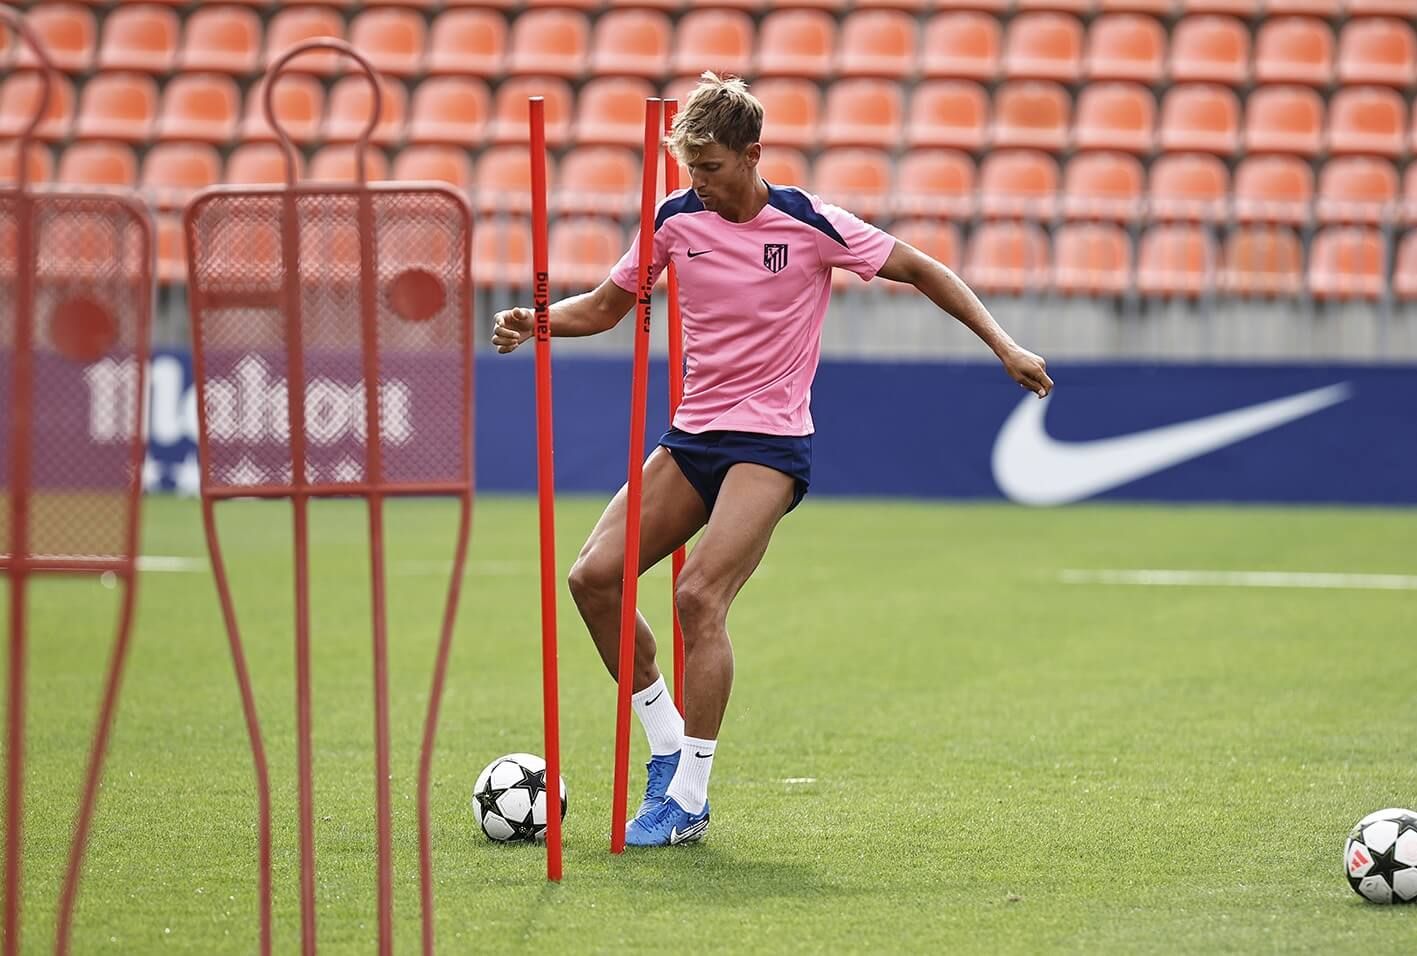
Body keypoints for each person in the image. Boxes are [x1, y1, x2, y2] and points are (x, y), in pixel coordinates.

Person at [491, 72, 1053, 847]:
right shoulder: (674, 219)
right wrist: (538, 321)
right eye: (691, 168)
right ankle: (664, 743)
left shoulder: (809, 222)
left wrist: (1004, 345)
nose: (699, 182)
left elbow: (923, 269)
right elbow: (605, 306)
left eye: (711, 168)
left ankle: (688, 797)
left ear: (752, 155)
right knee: (592, 579)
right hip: (693, 436)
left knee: (697, 598)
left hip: (770, 443)